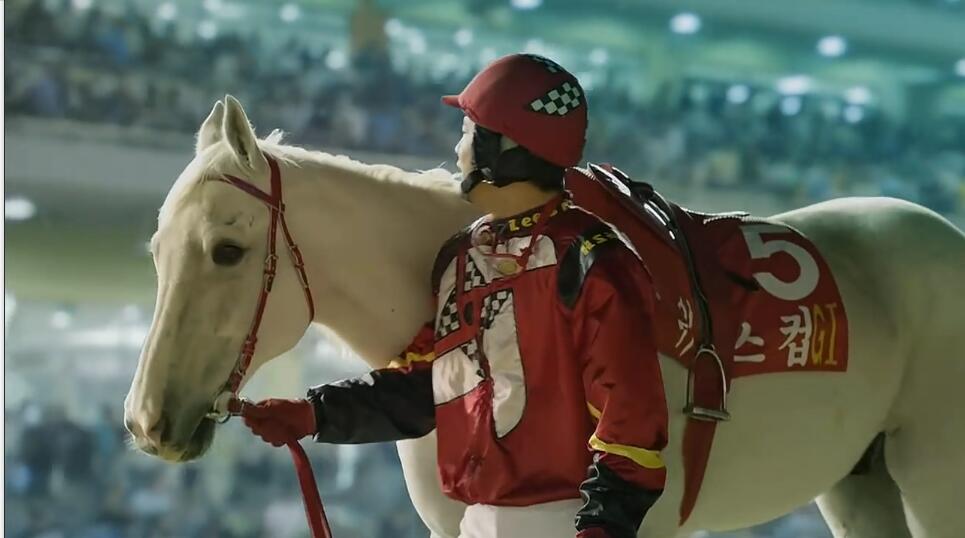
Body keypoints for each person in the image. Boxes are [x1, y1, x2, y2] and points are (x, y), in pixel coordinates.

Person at [243, 54, 669, 538]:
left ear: (505, 149)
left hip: (564, 523)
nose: (457, 145)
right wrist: (315, 413)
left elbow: (632, 420)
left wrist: (604, 528)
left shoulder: (595, 263)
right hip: (474, 521)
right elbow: (431, 385)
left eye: (467, 131)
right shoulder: (461, 258)